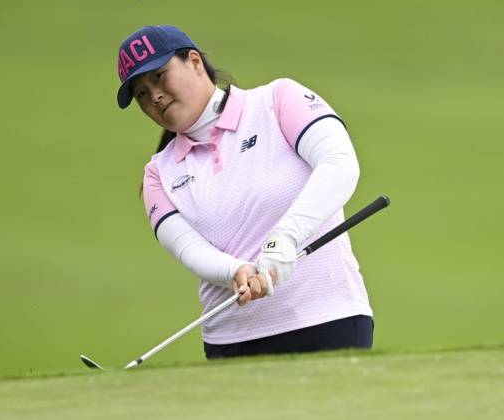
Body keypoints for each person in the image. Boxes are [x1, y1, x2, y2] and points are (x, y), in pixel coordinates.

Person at [116, 25, 373, 358]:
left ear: (194, 61)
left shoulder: (277, 101)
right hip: (233, 339)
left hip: (327, 317)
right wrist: (235, 272)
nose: (155, 97)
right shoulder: (158, 175)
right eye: (141, 94)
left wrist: (285, 238)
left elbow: (340, 164)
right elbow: (188, 249)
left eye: (160, 77)